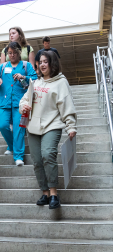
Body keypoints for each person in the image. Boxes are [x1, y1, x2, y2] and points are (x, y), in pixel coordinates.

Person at [19, 51, 76, 209]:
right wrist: (23, 106)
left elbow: (67, 105)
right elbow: (24, 99)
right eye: (40, 62)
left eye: (46, 62)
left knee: (48, 155)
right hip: (33, 127)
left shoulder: (61, 82)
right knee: (37, 161)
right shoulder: (35, 83)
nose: (42, 65)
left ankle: (53, 194)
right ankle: (44, 193)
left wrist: (71, 126)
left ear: (53, 64)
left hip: (52, 125)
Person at [0, 42, 38, 166]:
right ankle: (11, 146)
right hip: (3, 102)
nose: (12, 55)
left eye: (15, 53)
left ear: (19, 52)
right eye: (10, 53)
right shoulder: (2, 67)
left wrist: (24, 77)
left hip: (21, 103)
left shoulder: (26, 65)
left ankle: (18, 156)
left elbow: (35, 79)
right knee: (2, 126)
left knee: (19, 129)